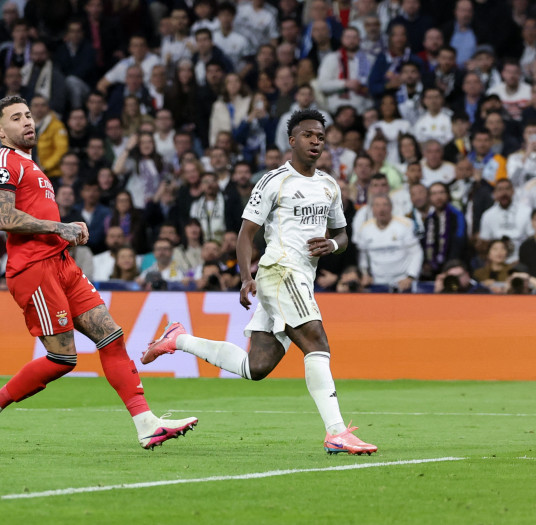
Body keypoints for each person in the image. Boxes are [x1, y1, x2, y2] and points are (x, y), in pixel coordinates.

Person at [0, 96, 198, 456]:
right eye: (16, 118)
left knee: (111, 335)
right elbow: (4, 218)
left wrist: (64, 230)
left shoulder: (33, 166)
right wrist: (59, 227)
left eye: (28, 115)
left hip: (61, 265)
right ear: (0, 130)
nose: (27, 122)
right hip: (34, 270)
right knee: (63, 359)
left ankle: (147, 425)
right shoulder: (2, 161)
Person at [141, 109, 376, 455]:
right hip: (279, 271)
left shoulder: (329, 186)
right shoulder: (273, 181)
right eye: (309, 135)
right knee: (316, 342)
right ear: (292, 141)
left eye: (321, 137)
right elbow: (246, 234)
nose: (316, 141)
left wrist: (333, 244)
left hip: (302, 278)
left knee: (256, 367)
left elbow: (343, 233)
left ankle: (179, 339)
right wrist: (246, 276)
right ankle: (336, 432)